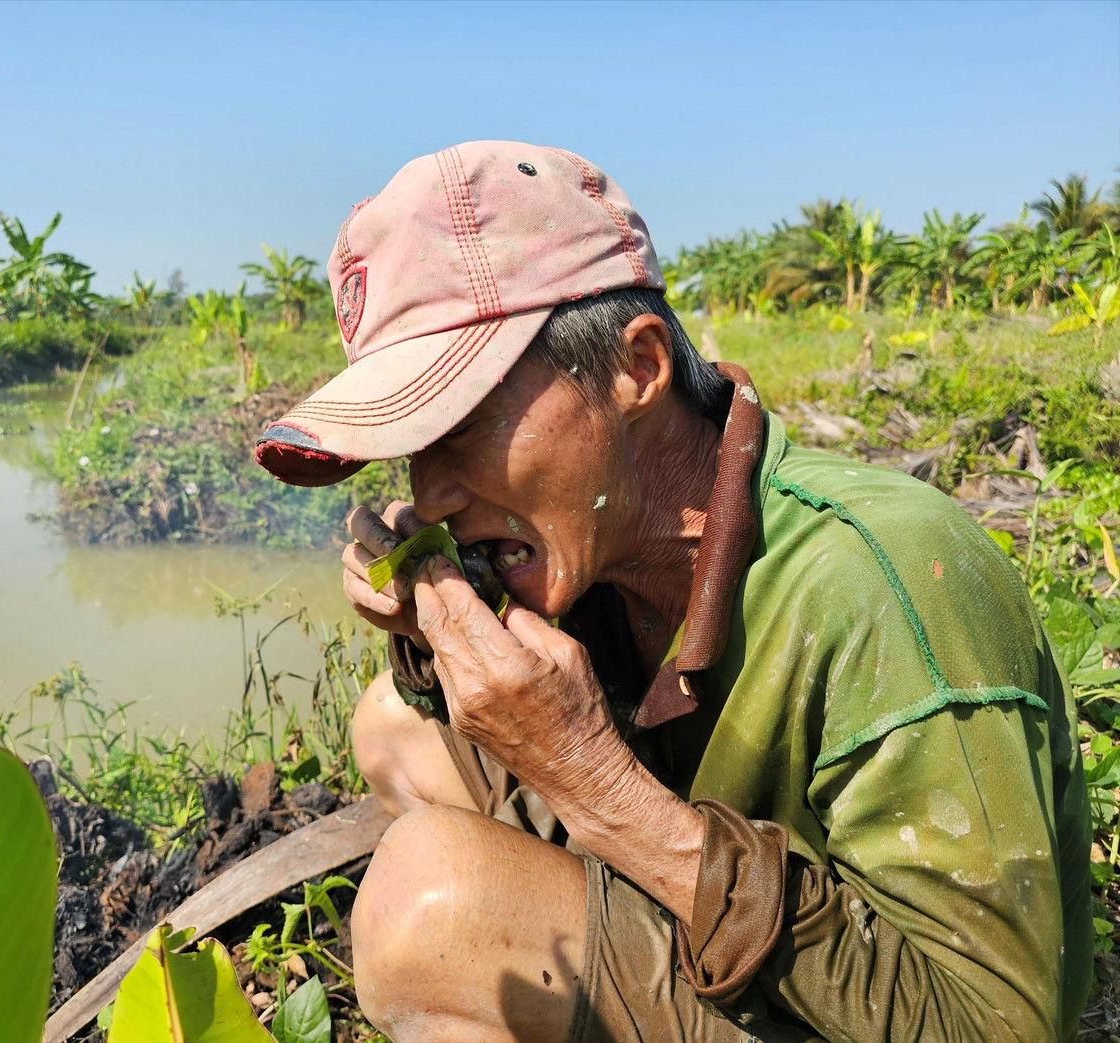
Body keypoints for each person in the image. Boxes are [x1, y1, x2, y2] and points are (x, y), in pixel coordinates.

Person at [254, 141, 1093, 1043]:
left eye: (462, 424)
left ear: (638, 369)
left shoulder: (885, 584)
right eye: (416, 449)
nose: (428, 495)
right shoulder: (595, 541)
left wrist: (596, 784)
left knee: (426, 902)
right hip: (715, 908)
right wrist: (437, 627)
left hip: (873, 999)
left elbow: (998, 1026)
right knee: (393, 720)